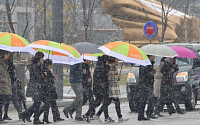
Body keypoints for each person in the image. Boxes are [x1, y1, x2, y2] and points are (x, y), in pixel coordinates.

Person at [95, 57, 129, 123]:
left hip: (114, 87)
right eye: (117, 59)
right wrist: (116, 77)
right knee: (116, 102)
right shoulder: (111, 67)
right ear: (114, 59)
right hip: (112, 87)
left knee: (107, 102)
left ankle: (97, 114)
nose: (118, 60)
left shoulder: (114, 66)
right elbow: (109, 78)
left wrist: (118, 77)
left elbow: (115, 77)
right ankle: (120, 117)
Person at [20, 52, 44, 124]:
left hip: (35, 86)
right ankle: (35, 119)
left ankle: (25, 114)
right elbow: (37, 76)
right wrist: (43, 75)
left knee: (37, 103)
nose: (43, 59)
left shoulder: (37, 65)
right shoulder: (36, 65)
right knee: (37, 103)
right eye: (42, 57)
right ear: (39, 58)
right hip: (35, 86)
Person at [39, 59, 64, 123]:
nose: (51, 66)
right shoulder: (45, 71)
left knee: (52, 104)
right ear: (49, 65)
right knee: (48, 105)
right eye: (51, 65)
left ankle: (55, 116)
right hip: (48, 90)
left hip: (49, 90)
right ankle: (46, 117)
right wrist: (53, 77)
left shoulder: (45, 70)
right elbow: (48, 80)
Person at [3, 53, 23, 120]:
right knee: (14, 98)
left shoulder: (8, 61)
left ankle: (6, 114)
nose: (12, 54)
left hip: (10, 81)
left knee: (8, 99)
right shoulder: (6, 61)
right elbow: (9, 72)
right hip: (9, 82)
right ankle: (20, 113)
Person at [137, 55, 156, 121]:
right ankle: (147, 113)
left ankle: (142, 115)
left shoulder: (150, 63)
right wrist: (153, 72)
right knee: (149, 99)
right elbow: (145, 74)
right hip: (145, 84)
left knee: (144, 100)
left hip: (148, 84)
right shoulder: (145, 63)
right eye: (153, 56)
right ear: (150, 56)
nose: (154, 57)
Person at [0, 50, 12, 121]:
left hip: (5, 85)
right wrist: (4, 80)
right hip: (2, 85)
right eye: (7, 55)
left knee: (3, 100)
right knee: (1, 101)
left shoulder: (5, 63)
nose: (8, 56)